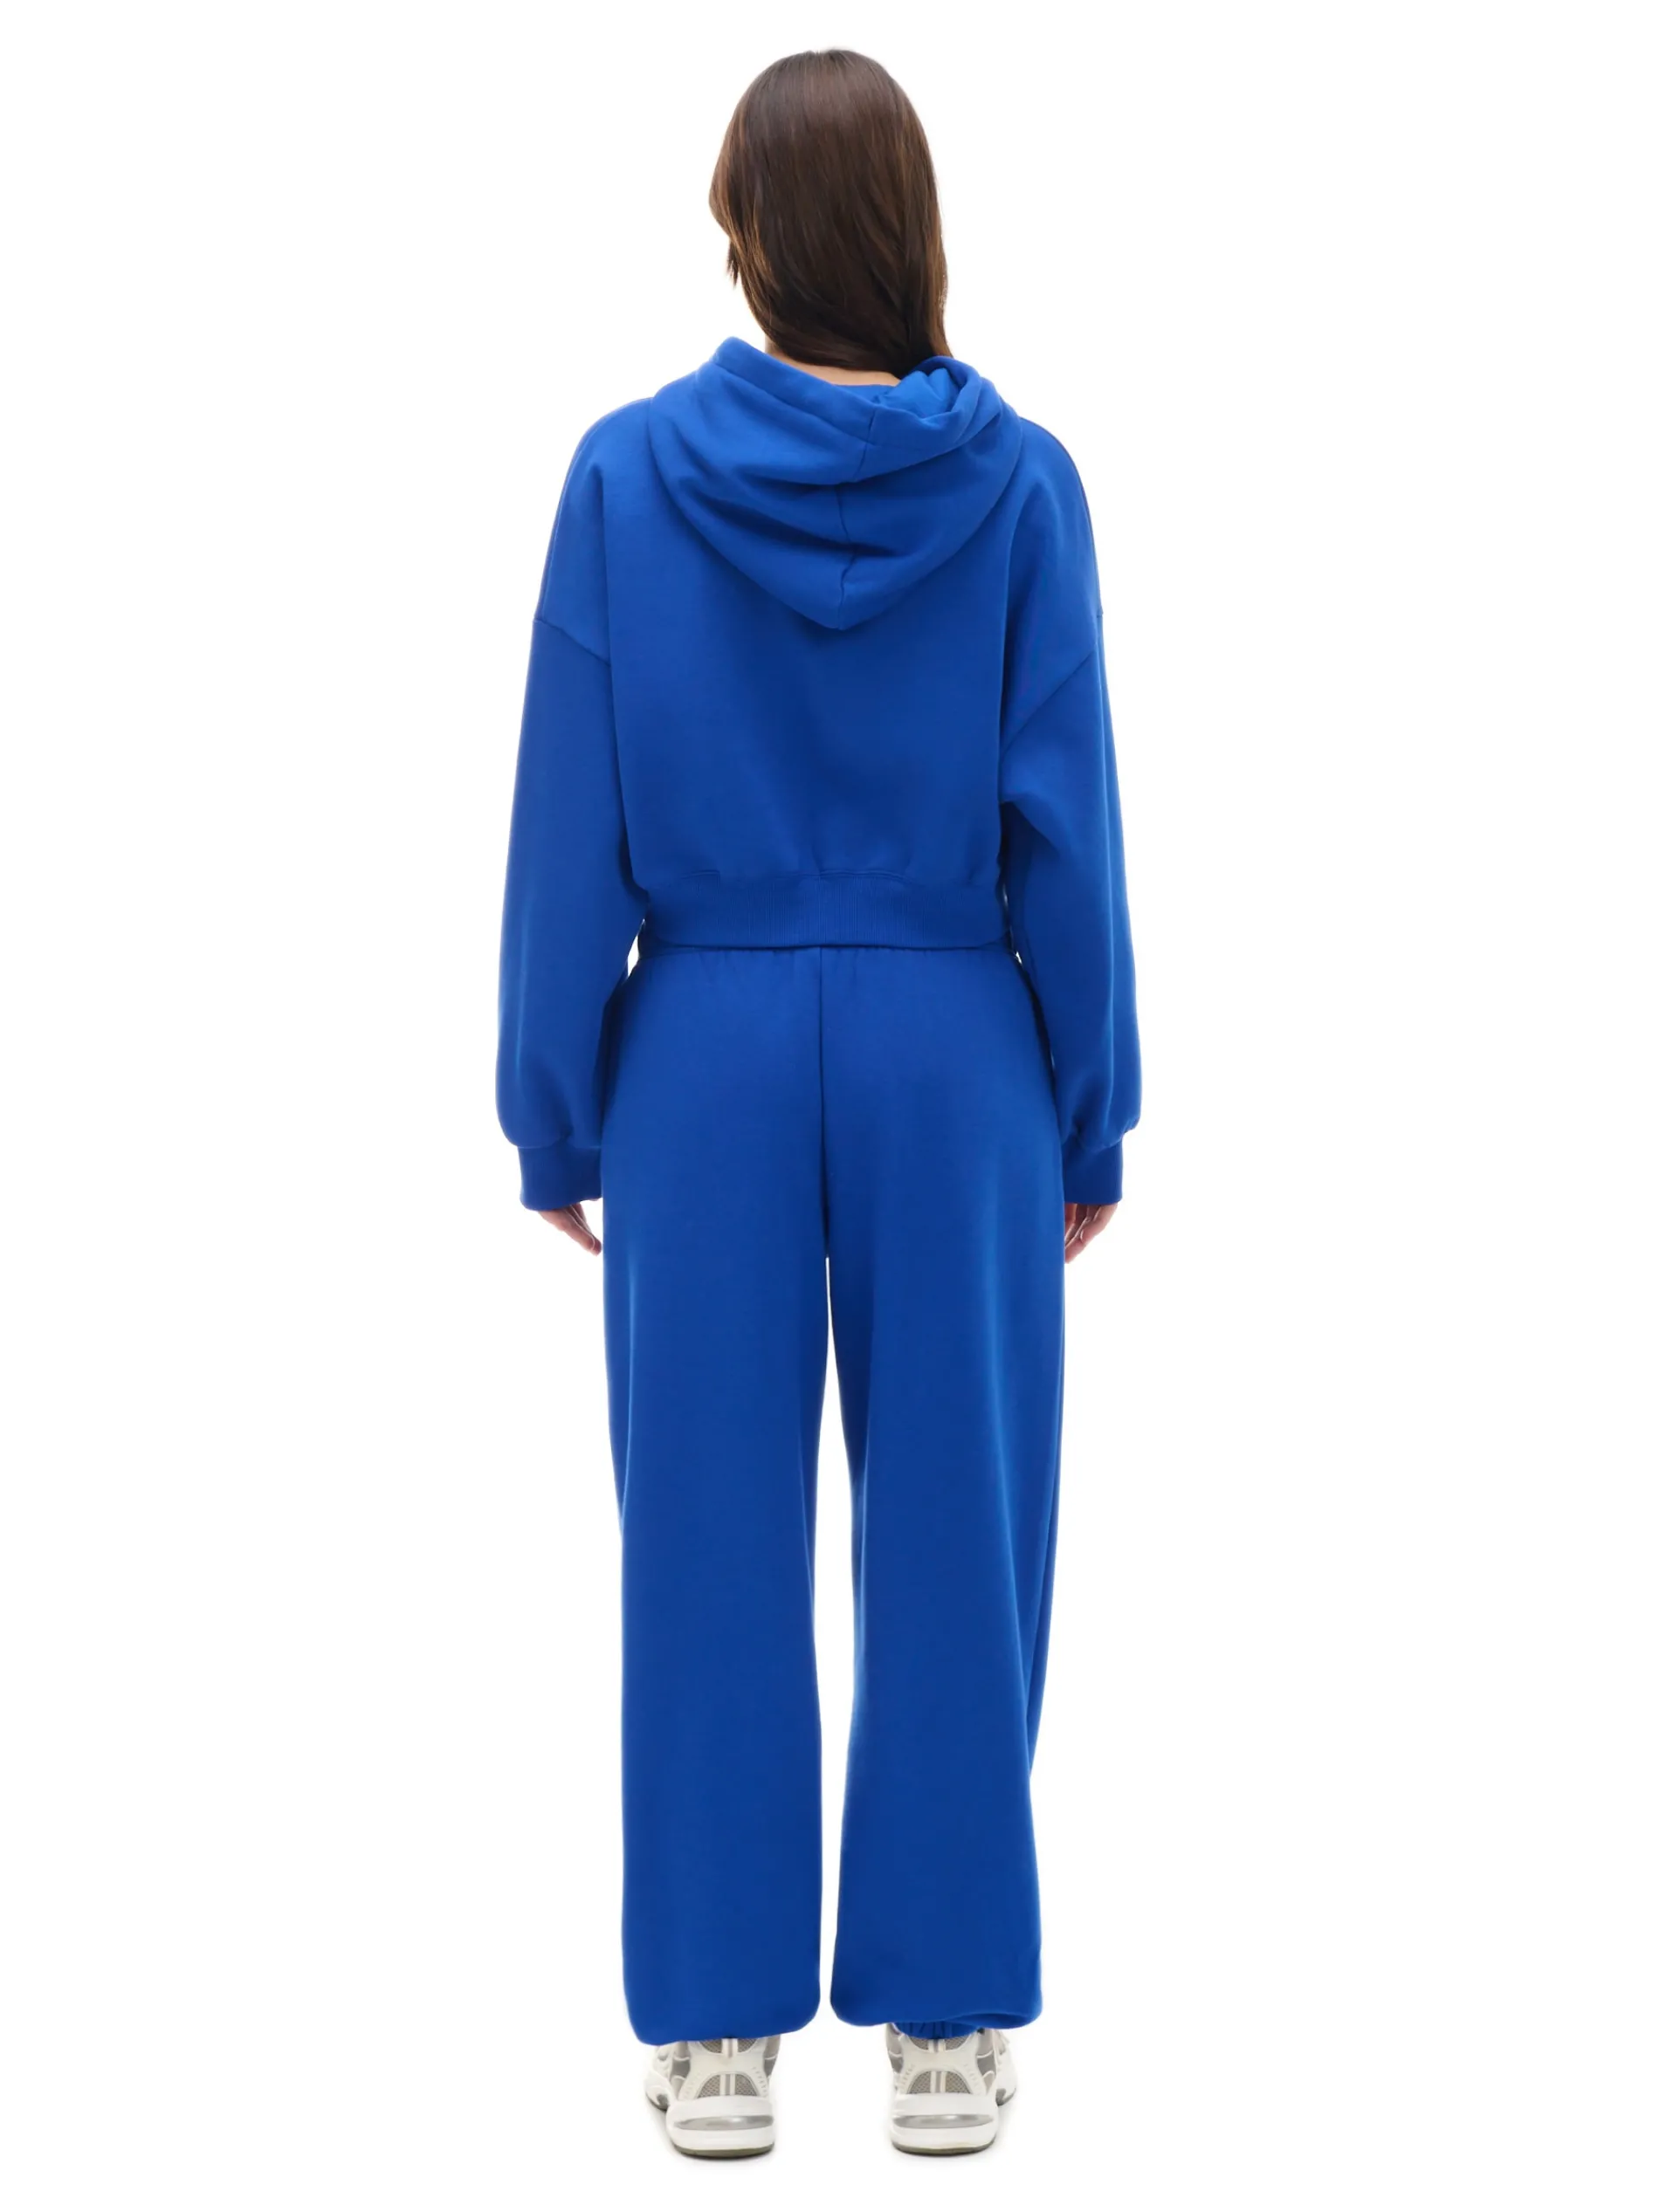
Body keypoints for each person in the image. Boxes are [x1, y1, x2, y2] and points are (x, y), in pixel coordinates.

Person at [496, 47, 1139, 2159]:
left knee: (702, 1530)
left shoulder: (623, 478)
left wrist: (553, 1099)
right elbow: (1066, 821)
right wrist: (1087, 1103)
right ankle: (944, 2033)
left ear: (753, 241)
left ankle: (713, 2037)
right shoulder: (1020, 486)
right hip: (956, 1044)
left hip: (700, 1051)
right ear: (909, 234)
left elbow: (568, 811)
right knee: (961, 1525)